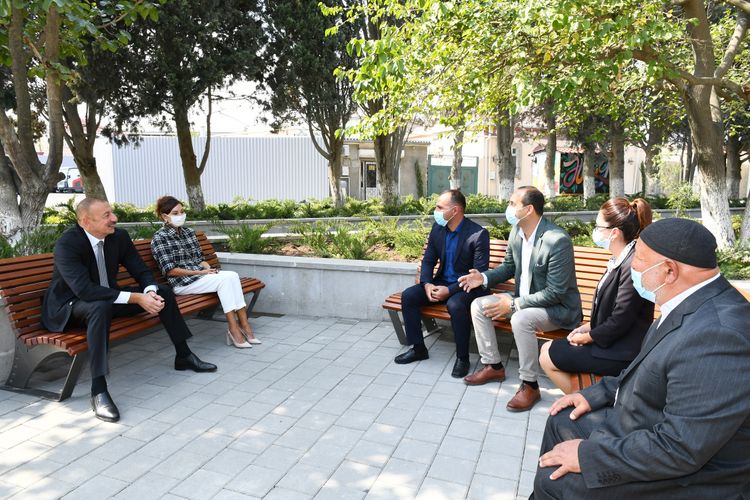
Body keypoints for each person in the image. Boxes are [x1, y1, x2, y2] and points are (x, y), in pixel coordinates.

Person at [532, 218, 750, 499]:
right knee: (561, 419)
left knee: (554, 482)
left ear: (669, 271)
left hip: (693, 475)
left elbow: (682, 448)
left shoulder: (719, 336)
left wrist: (588, 456)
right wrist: (595, 394)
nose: (633, 266)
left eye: (640, 259)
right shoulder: (688, 302)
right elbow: (645, 368)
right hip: (647, 424)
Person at [42, 198, 217, 423]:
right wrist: (137, 298)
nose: (114, 218)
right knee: (99, 307)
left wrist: (150, 292)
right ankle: (98, 390)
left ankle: (184, 356)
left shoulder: (118, 237)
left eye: (112, 212)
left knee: (163, 292)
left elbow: (141, 271)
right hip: (70, 306)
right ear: (85, 221)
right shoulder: (68, 244)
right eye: (106, 215)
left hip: (107, 298)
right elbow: (85, 290)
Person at [458, 186, 581, 412]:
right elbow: (508, 266)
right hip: (523, 299)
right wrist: (483, 278)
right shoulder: (517, 231)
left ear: (529, 209)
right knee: (479, 305)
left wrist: (514, 304)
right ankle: (493, 366)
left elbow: (555, 292)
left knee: (520, 319)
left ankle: (530, 384)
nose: (508, 208)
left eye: (513, 204)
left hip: (556, 308)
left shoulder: (557, 240)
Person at [539, 198, 654, 393]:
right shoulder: (620, 258)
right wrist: (585, 328)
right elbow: (610, 311)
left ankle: (592, 402)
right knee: (546, 348)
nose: (595, 231)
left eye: (598, 226)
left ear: (614, 232)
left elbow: (620, 319)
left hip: (623, 350)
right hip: (610, 339)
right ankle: (588, 398)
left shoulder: (632, 265)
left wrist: (587, 337)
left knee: (547, 357)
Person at [393, 189, 490, 378]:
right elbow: (428, 261)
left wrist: (450, 290)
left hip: (468, 287)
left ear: (455, 211)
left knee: (455, 304)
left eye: (439, 207)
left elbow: (479, 275)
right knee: (409, 296)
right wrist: (427, 284)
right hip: (440, 282)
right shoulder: (438, 229)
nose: (435, 211)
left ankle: (462, 358)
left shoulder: (478, 234)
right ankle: (418, 348)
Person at [150, 196, 260, 348]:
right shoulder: (160, 238)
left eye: (182, 212)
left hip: (200, 277)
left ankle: (244, 325)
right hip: (182, 283)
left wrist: (207, 268)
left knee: (232, 276)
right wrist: (201, 273)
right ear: (164, 216)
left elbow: (200, 259)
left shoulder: (188, 233)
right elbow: (170, 271)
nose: (180, 215)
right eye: (175, 213)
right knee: (225, 280)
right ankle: (234, 329)